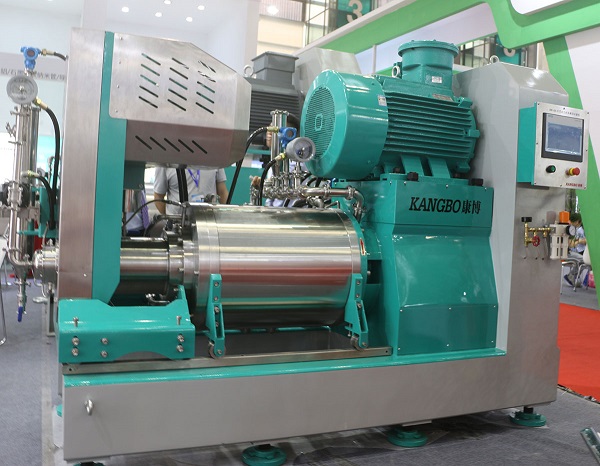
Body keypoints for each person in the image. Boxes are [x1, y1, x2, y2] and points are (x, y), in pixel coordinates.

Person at [153, 166, 228, 215]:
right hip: (178, 224)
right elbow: (158, 197)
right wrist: (170, 220)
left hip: (209, 222)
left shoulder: (214, 157)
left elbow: (222, 192)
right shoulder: (166, 162)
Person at [564, 212, 587, 286]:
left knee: (583, 260)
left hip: (573, 250)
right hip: (569, 252)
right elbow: (571, 244)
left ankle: (573, 276)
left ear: (577, 221)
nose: (571, 222)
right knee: (583, 260)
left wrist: (577, 241)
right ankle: (571, 276)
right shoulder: (573, 229)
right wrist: (577, 241)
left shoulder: (577, 229)